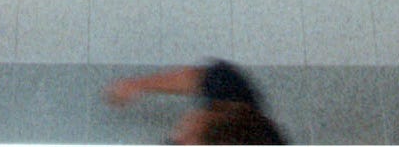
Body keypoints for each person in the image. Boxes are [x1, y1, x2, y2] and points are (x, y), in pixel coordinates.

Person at [104, 60, 286, 145]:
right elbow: (203, 77)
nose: (174, 138)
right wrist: (138, 85)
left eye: (177, 143)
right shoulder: (236, 105)